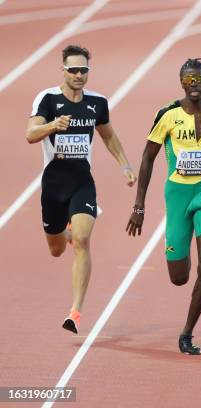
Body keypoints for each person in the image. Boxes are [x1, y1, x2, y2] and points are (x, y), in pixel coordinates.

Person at [126, 57, 201, 355]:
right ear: (181, 84)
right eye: (187, 80)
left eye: (197, 79)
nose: (193, 85)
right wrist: (139, 206)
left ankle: (187, 332)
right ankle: (182, 249)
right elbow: (148, 157)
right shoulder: (168, 115)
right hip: (177, 195)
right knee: (179, 277)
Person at [26, 45, 136, 334]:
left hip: (82, 182)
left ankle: (74, 312)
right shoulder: (47, 99)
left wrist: (124, 165)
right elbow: (30, 134)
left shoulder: (97, 103)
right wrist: (52, 125)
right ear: (62, 70)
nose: (78, 75)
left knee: (84, 240)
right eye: (73, 69)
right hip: (53, 185)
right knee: (56, 249)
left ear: (89, 71)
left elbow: (108, 136)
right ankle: (66, 232)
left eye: (83, 70)